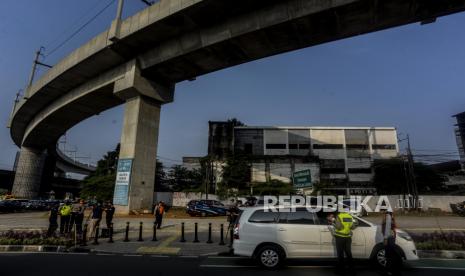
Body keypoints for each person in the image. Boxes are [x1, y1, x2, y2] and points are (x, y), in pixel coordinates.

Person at [330, 210, 358, 275]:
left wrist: (333, 221)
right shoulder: (349, 216)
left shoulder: (339, 216)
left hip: (340, 237)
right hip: (348, 238)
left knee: (340, 254)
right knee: (349, 254)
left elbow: (339, 227)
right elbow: (353, 227)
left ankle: (340, 270)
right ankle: (352, 270)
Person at [382, 210, 400, 275]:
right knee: (390, 255)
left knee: (388, 255)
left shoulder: (387, 218)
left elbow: (386, 229)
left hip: (389, 238)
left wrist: (385, 238)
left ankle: (388, 270)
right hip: (391, 238)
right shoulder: (390, 218)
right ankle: (391, 270)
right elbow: (389, 228)